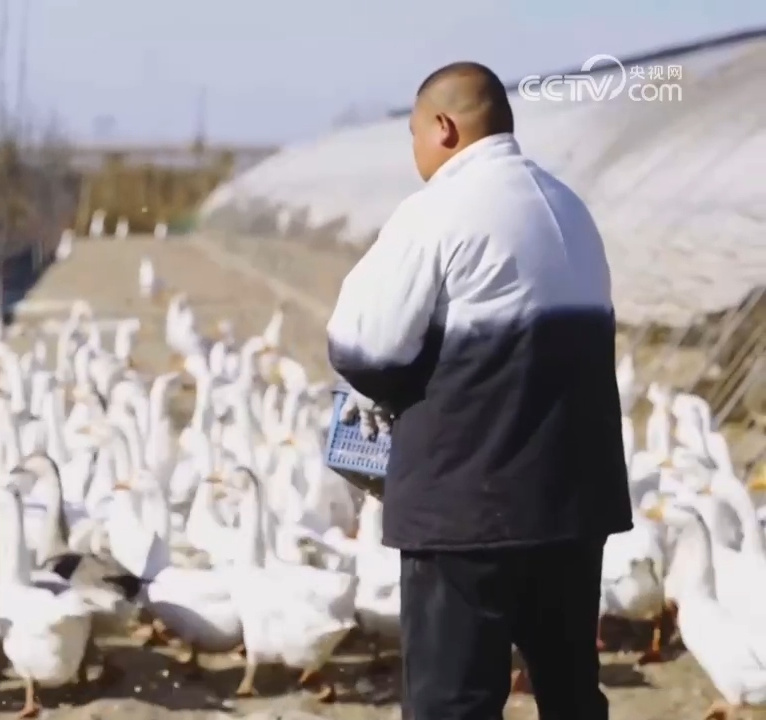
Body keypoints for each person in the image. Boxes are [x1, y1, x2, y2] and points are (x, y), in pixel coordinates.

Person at [325, 61, 633, 719]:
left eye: (412, 136)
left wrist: (400, 394)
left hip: (467, 512)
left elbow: (361, 346)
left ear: (442, 127)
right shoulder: (569, 208)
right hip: (572, 508)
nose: (414, 154)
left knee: (452, 702)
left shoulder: (439, 210)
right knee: (571, 695)